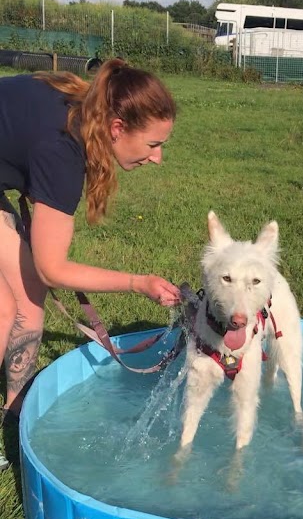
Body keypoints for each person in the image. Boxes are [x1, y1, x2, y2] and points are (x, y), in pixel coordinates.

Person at [0, 58, 181, 468]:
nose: (157, 159)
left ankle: (16, 410)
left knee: (29, 300)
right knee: (3, 309)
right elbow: (54, 269)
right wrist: (138, 283)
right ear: (117, 128)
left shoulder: (84, 105)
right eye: (154, 145)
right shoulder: (62, 149)